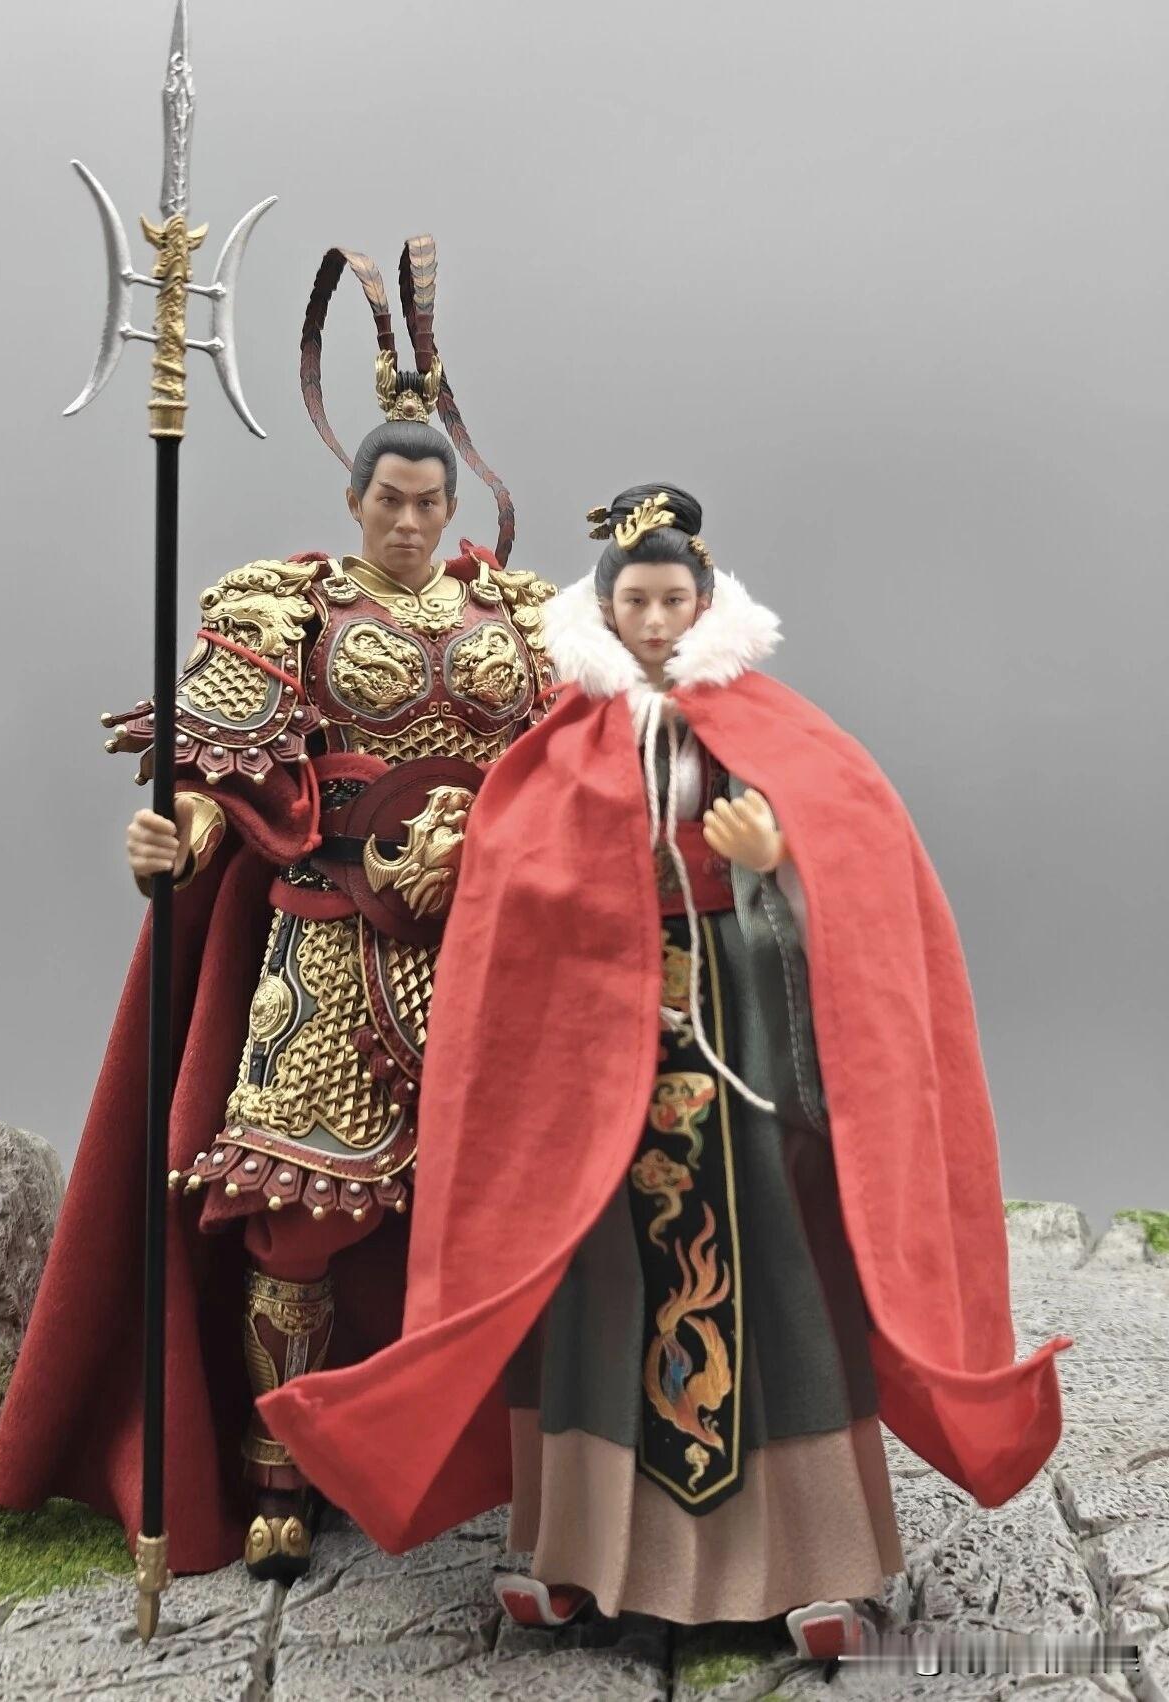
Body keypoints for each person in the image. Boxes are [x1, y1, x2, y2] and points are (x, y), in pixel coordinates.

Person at [251, 483, 1071, 1657]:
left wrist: (776, 859)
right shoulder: (561, 745)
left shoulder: (772, 727)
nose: (650, 620)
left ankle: (817, 1558)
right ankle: (577, 1550)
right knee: (593, 1276)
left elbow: (862, 875)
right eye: (632, 600)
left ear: (703, 602)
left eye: (670, 600)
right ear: (604, 609)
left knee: (775, 1263)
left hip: (741, 1040)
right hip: (603, 1069)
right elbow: (511, 902)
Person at [0, 237, 555, 1581]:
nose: (410, 522)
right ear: (355, 498)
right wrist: (175, 834)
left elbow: (575, 768)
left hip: (487, 945)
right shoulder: (283, 606)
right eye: (390, 500)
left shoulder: (524, 617)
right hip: (331, 937)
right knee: (301, 1215)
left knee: (527, 1198)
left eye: (430, 501)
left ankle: (518, 1450)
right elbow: (223, 777)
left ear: (455, 501)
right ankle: (279, 1465)